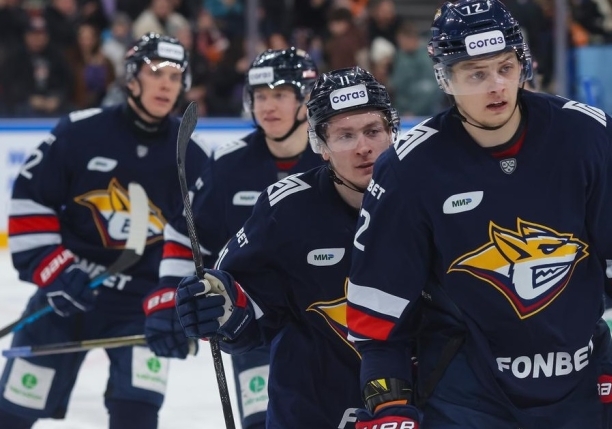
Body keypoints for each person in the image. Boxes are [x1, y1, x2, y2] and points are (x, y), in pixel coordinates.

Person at [345, 1, 612, 429]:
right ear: (445, 79)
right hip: (464, 399)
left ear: (523, 64)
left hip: (581, 388)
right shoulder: (409, 169)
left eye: (505, 67)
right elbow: (378, 315)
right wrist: (388, 405)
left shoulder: (588, 138)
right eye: (476, 74)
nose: (497, 86)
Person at [0, 33, 209, 429]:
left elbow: (202, 241)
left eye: (175, 76)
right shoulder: (79, 133)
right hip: (65, 295)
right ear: (132, 78)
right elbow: (31, 201)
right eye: (155, 72)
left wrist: (174, 302)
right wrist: (55, 270)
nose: (166, 84)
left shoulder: (193, 157)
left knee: (137, 414)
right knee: (13, 412)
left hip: (141, 308)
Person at [173, 67, 399, 429]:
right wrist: (221, 309)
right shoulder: (285, 210)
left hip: (412, 410)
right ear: (321, 146)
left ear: (392, 132)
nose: (363, 147)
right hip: (309, 414)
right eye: (344, 135)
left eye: (373, 131)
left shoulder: (425, 197)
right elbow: (245, 313)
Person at [156, 47, 323, 429]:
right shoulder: (229, 163)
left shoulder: (335, 155)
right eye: (260, 96)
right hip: (253, 324)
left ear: (306, 98)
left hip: (331, 322)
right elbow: (186, 236)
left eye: (280, 94)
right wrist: (170, 300)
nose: (268, 106)